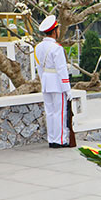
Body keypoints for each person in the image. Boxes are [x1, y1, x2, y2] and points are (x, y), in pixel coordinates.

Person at [34, 15, 72, 148]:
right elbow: (61, 69)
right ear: (54, 31)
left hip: (45, 82)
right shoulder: (57, 48)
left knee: (49, 112)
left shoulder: (38, 47)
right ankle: (60, 140)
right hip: (57, 83)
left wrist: (43, 81)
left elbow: (39, 68)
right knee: (59, 112)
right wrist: (67, 88)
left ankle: (51, 139)